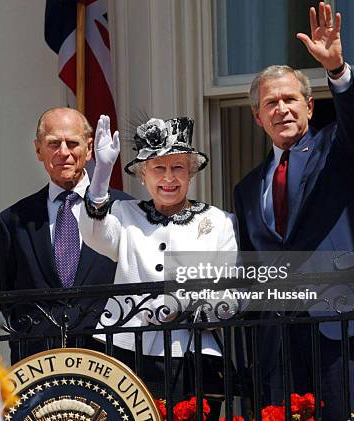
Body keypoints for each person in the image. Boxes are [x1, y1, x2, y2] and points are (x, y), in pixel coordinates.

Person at [233, 3, 354, 419]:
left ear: (310, 107)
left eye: (291, 99)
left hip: (339, 326)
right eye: (271, 103)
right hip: (277, 339)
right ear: (258, 117)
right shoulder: (246, 189)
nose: (282, 109)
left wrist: (337, 71)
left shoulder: (336, 150)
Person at [79, 114, 238, 420]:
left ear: (190, 173)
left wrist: (189, 305)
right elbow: (93, 234)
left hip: (195, 354)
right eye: (158, 168)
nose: (169, 178)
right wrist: (99, 176)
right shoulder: (124, 214)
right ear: (143, 175)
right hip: (128, 351)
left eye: (178, 167)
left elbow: (228, 288)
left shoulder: (218, 221)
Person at [0, 107, 131, 363]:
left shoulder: (125, 210)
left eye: (73, 143)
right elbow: (8, 298)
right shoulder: (12, 220)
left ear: (90, 148)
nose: (64, 152)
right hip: (39, 363)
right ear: (38, 150)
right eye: (54, 143)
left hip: (110, 360)